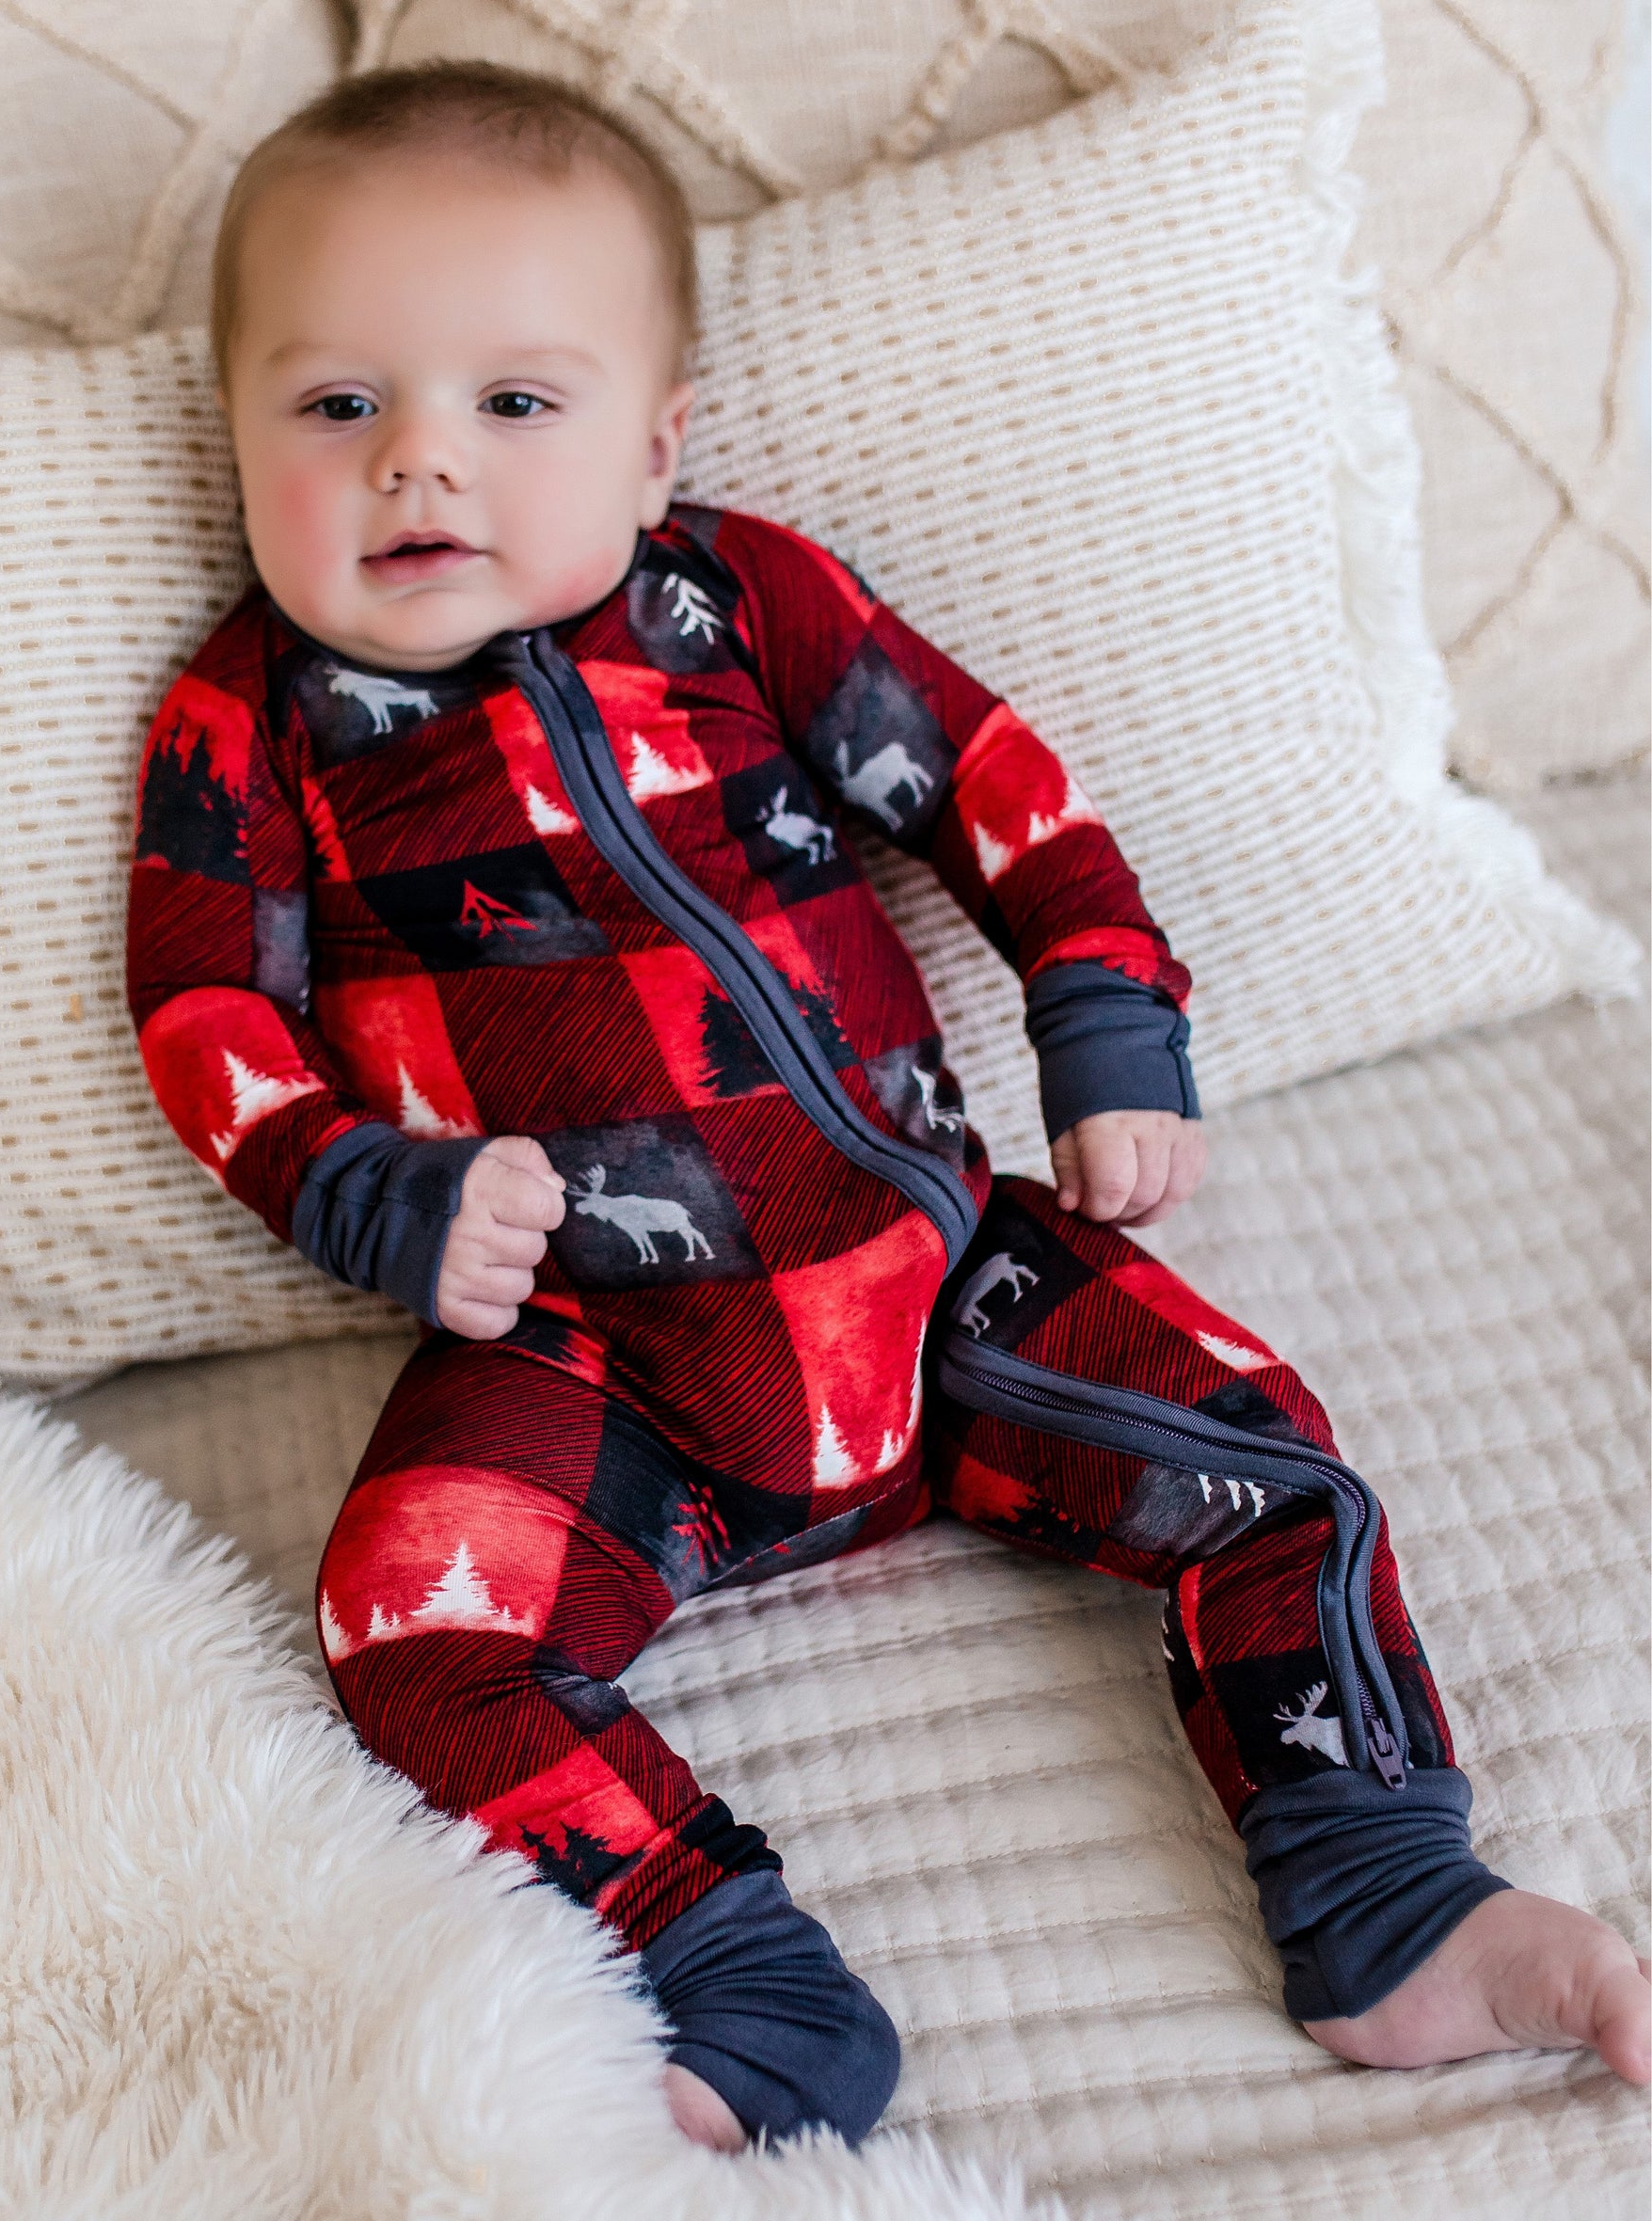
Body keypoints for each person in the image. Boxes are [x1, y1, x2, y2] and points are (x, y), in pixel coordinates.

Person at [125, 60, 1650, 2151]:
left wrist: (1111, 1026)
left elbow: (996, 790)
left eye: (514, 402)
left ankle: (1387, 1899)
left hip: (934, 1272)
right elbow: (209, 1006)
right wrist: (363, 1187)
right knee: (404, 1616)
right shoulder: (253, 720)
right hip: (596, 1355)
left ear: (656, 446)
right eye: (333, 407)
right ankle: (724, 1960)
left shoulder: (737, 597)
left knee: (1270, 1462)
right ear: (235, 438)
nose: (418, 462)